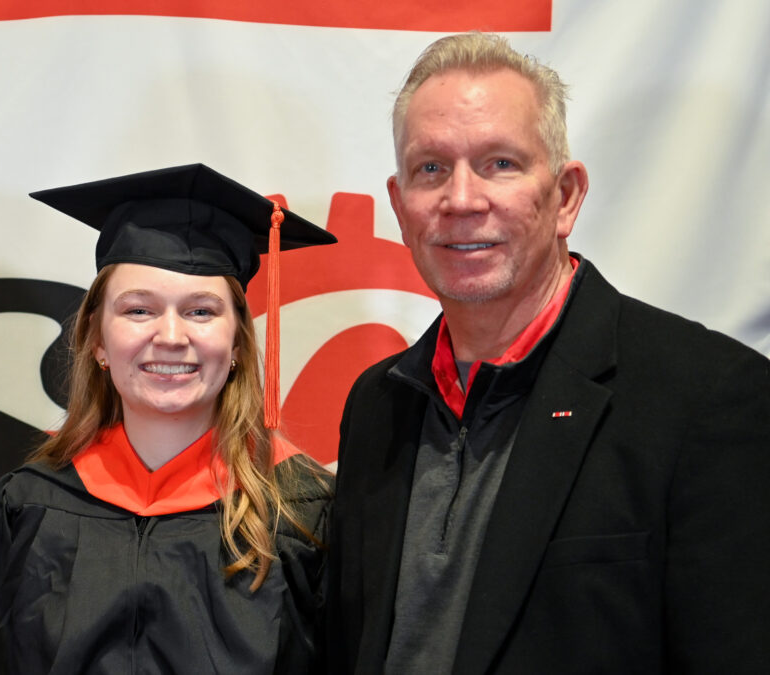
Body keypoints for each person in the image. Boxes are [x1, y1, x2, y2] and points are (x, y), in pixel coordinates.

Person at [328, 32, 770, 674]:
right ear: (400, 207)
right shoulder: (376, 406)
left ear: (565, 196)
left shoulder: (709, 399)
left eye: (499, 164)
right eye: (431, 168)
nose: (461, 199)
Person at [0, 163, 336, 674]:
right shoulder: (23, 509)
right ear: (98, 340)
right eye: (138, 309)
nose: (170, 335)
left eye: (201, 311)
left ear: (237, 345)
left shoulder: (308, 516)